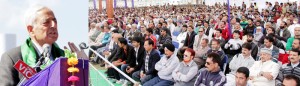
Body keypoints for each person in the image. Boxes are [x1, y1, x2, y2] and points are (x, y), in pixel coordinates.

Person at [0, 5, 84, 85]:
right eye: (46, 22)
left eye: (55, 21)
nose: (53, 25)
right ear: (31, 30)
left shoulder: (66, 58)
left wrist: (83, 66)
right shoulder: (13, 57)